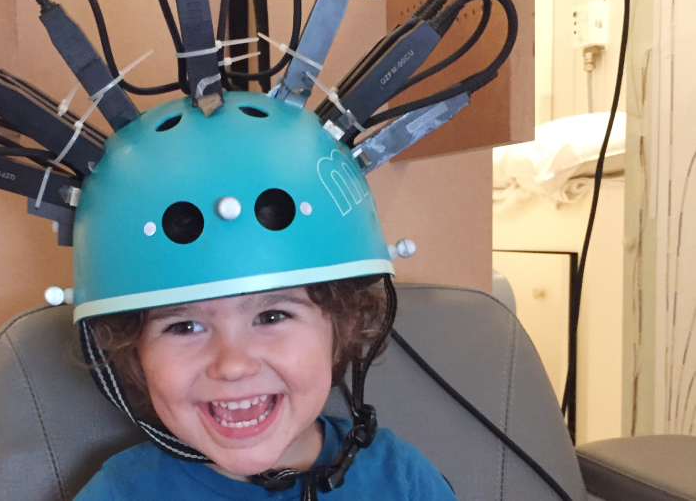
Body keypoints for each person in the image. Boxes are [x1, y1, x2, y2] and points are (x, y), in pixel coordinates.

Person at [68, 92, 459, 500]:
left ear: (342, 323)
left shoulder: (403, 482)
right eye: (184, 326)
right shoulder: (119, 494)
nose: (233, 365)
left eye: (271, 317)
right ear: (134, 352)